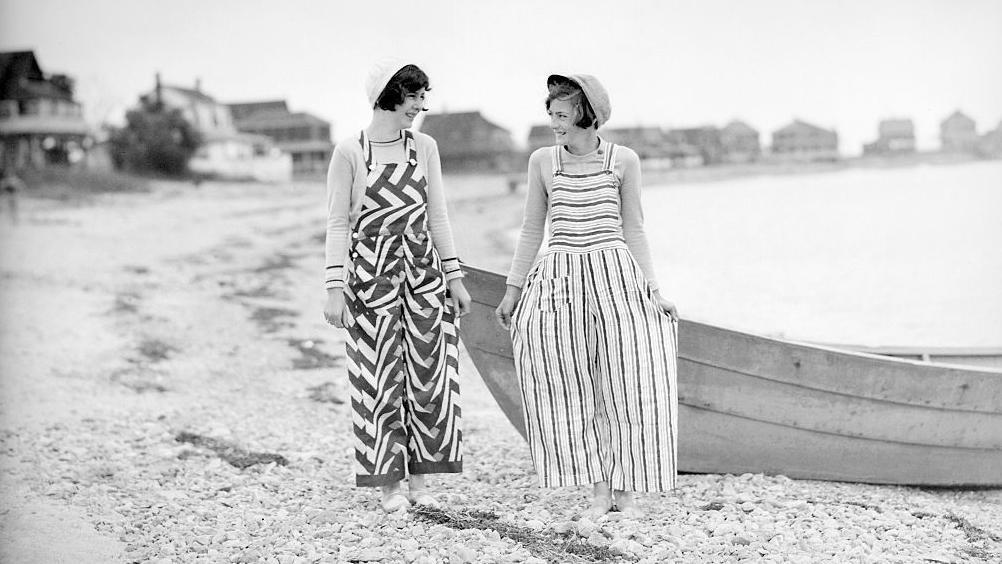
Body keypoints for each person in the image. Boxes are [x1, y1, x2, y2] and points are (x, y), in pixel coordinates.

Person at [495, 74, 679, 519]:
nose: (554, 123)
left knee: (628, 384)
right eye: (551, 114)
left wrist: (655, 291)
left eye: (562, 115)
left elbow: (634, 228)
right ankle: (599, 490)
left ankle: (627, 490)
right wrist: (512, 290)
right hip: (559, 279)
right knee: (570, 385)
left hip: (615, 276)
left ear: (586, 114)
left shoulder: (624, 160)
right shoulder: (543, 161)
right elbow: (532, 229)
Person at [323, 60, 471, 513]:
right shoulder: (350, 151)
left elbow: (437, 215)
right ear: (390, 95)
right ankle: (389, 485)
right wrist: (334, 287)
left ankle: (422, 479)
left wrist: (455, 277)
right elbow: (337, 223)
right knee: (378, 376)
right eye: (414, 97)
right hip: (370, 275)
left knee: (431, 372)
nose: (420, 107)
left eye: (423, 97)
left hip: (423, 272)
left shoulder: (424, 147)